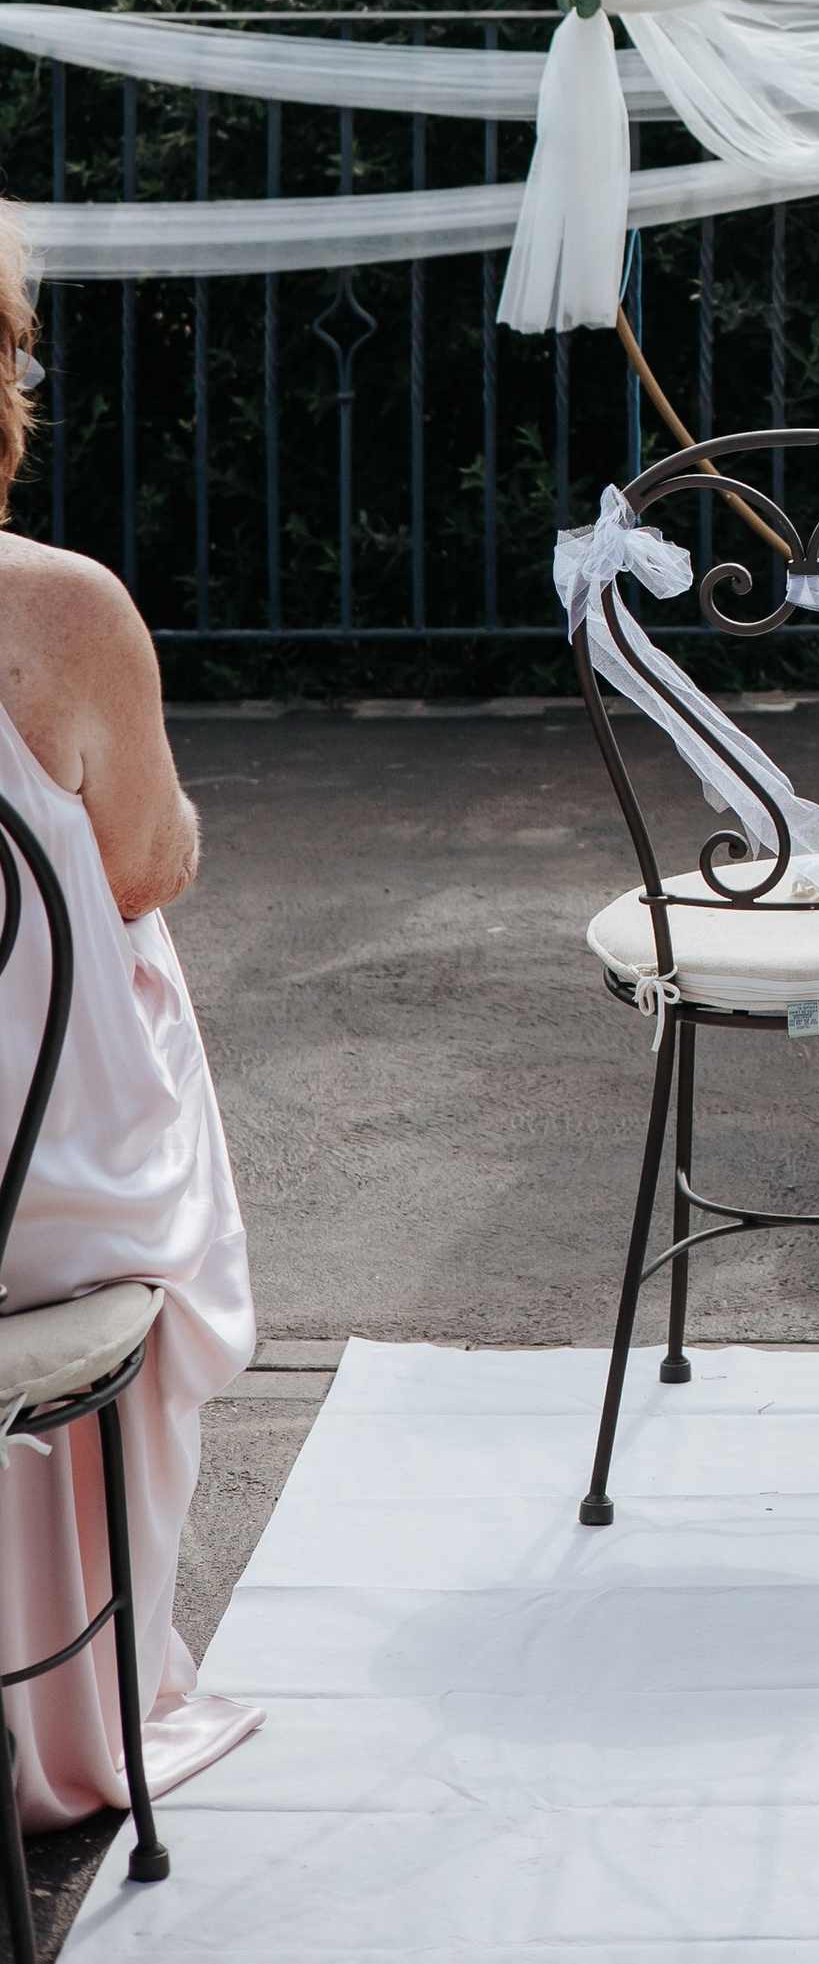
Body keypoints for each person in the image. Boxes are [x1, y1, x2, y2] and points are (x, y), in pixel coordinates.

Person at [0, 203, 260, 1826]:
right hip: (30, 1214)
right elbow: (152, 864)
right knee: (143, 991)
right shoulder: (62, 613)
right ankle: (79, 1683)